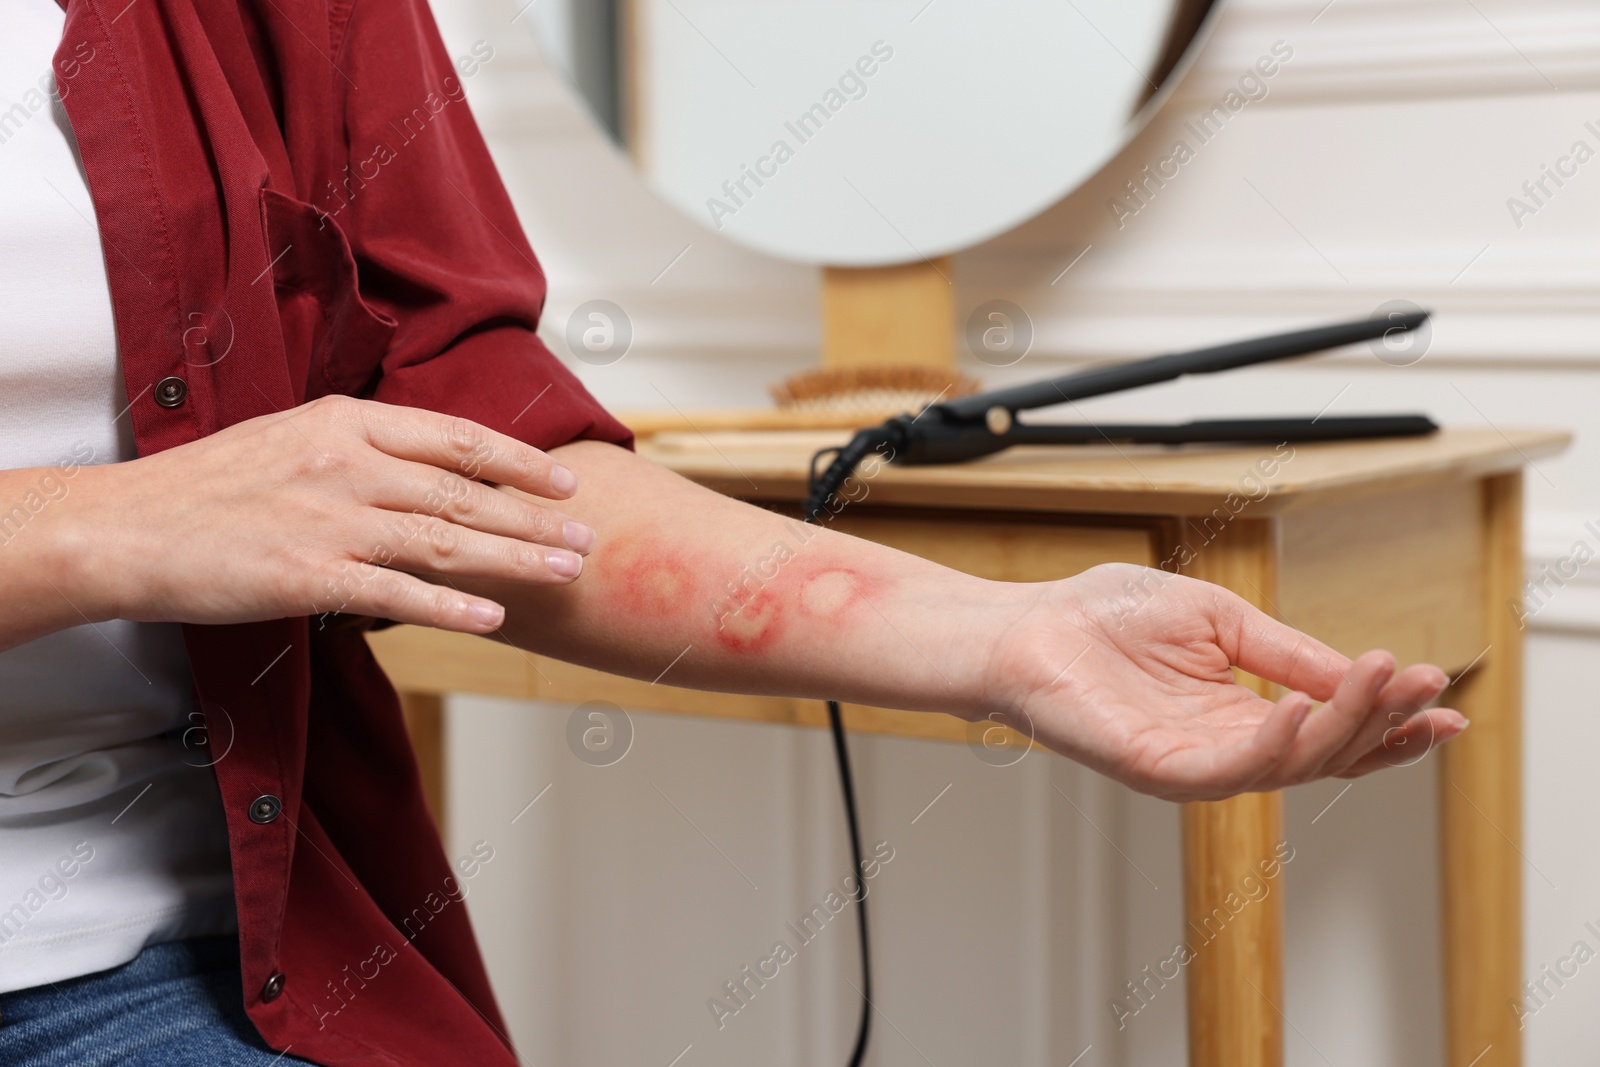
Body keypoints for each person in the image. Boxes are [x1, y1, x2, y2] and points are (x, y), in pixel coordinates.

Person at [0, 1, 1465, 1064]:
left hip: (145, 964)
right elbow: (182, 513)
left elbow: (491, 463)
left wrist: (1003, 639)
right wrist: (98, 529)